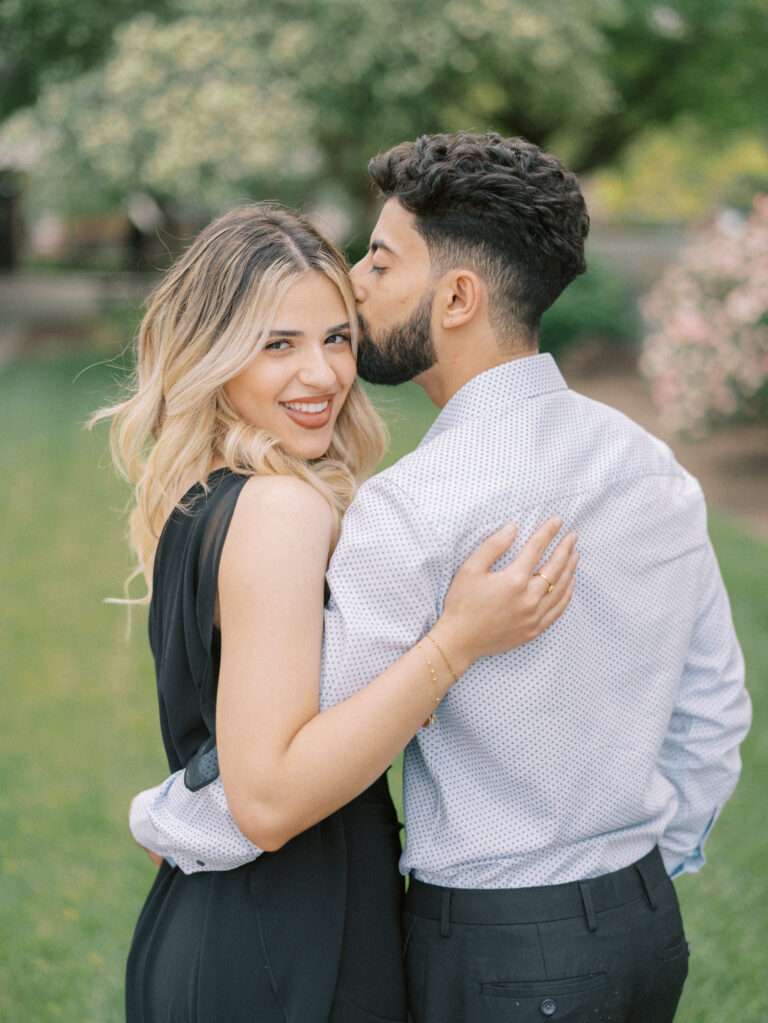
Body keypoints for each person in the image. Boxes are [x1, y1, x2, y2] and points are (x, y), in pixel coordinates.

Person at [131, 133, 751, 1023]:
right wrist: (642, 871)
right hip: (645, 928)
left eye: (381, 262)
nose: (355, 279)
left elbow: (287, 772)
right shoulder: (649, 463)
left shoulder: (414, 509)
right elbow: (714, 708)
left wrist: (162, 822)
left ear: (456, 296)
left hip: (498, 945)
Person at [95, 201, 576, 1023]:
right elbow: (270, 800)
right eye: (277, 343)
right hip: (286, 945)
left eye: (337, 338)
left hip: (229, 925)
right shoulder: (283, 511)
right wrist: (455, 644)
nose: (321, 375)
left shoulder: (203, 492)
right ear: (212, 352)